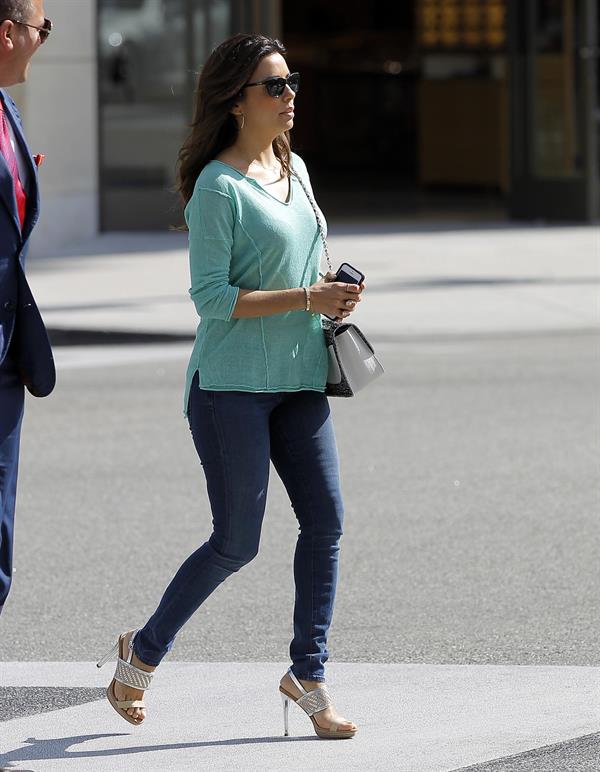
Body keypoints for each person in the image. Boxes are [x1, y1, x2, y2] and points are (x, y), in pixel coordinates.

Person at [98, 33, 362, 739]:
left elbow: (307, 262)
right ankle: (141, 654)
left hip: (300, 377)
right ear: (235, 102)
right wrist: (308, 297)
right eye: (274, 87)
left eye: (292, 82)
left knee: (327, 522)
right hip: (230, 387)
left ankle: (308, 673)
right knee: (237, 542)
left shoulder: (294, 167)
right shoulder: (218, 188)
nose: (289, 98)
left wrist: (332, 295)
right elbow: (212, 299)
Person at [0, 0, 54, 616]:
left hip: (8, 354)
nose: (44, 40)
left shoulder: (7, 110)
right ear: (8, 32)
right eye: (43, 29)